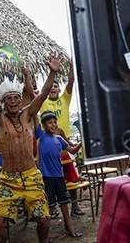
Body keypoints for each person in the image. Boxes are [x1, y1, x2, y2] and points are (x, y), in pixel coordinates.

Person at [0, 53, 61, 243]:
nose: (13, 101)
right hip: (8, 179)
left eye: (16, 97)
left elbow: (42, 95)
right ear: (3, 102)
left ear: (21, 99)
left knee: (44, 220)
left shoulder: (28, 115)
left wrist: (52, 72)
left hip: (30, 175)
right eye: (8, 98)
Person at [39, 62, 84, 215]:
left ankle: (75, 207)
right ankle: (53, 208)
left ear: (59, 89)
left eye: (56, 86)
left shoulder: (65, 99)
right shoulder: (42, 102)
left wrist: (72, 64)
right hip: (49, 146)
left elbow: (71, 82)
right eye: (51, 86)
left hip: (65, 145)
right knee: (52, 179)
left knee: (71, 175)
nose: (53, 88)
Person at [37, 111, 82, 238]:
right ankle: (47, 234)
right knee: (49, 208)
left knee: (64, 205)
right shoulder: (41, 136)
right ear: (44, 125)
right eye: (50, 123)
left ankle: (70, 229)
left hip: (59, 177)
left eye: (54, 122)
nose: (53, 125)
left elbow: (72, 150)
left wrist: (82, 141)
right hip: (47, 177)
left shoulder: (59, 139)